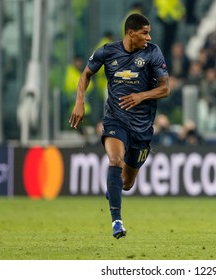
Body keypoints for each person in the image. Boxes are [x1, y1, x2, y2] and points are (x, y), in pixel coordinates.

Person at [69, 13, 170, 239]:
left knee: (126, 183)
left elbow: (165, 88)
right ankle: (117, 221)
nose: (149, 36)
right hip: (115, 119)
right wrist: (79, 102)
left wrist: (141, 96)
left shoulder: (153, 52)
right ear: (130, 33)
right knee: (115, 160)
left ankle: (113, 190)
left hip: (142, 127)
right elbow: (86, 74)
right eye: (144, 32)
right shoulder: (107, 51)